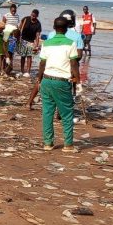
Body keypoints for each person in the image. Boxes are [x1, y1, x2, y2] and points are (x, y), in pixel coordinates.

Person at [28, 16, 80, 152]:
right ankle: (68, 145)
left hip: (47, 80)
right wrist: (78, 81)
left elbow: (42, 63)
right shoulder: (71, 43)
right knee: (67, 114)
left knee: (47, 113)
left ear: (54, 28)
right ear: (67, 29)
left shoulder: (46, 43)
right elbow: (74, 64)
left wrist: (39, 79)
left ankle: (48, 143)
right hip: (62, 81)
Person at [18, 9, 41, 76]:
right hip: (23, 40)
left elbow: (37, 35)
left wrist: (36, 45)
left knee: (29, 56)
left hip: (31, 41)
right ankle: (22, 70)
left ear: (37, 16)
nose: (32, 17)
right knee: (23, 56)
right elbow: (20, 27)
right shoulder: (25, 19)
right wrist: (18, 37)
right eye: (32, 15)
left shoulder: (38, 24)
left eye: (34, 16)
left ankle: (28, 71)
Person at [2, 4, 20, 74]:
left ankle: (9, 67)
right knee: (5, 50)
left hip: (14, 35)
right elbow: (3, 25)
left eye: (15, 11)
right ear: (10, 10)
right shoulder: (6, 15)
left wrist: (18, 37)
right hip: (7, 33)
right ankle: (4, 67)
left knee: (11, 51)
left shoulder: (17, 16)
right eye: (12, 11)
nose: (13, 12)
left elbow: (17, 26)